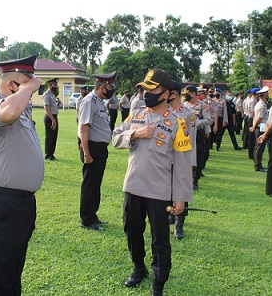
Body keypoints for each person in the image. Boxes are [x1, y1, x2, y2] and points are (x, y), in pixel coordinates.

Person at [112, 69, 193, 296]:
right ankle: (139, 268)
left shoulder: (178, 123)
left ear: (167, 93)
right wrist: (135, 135)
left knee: (160, 240)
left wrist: (180, 197)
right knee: (132, 230)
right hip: (133, 185)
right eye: (145, 88)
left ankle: (159, 283)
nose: (146, 93)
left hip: (159, 191)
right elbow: (115, 137)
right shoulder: (136, 114)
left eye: (152, 89)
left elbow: (183, 164)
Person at [0, 54, 44, 295]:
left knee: (14, 268)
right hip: (3, 203)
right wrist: (27, 90)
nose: (34, 88)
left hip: (22, 203)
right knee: (4, 272)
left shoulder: (22, 110)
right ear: (12, 85)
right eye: (29, 82)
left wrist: (25, 90)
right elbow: (8, 113)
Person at [78, 71, 116, 231]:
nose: (113, 90)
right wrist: (86, 152)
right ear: (102, 88)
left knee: (96, 183)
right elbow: (84, 128)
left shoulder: (99, 101)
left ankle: (93, 215)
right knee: (90, 184)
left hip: (99, 148)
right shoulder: (89, 101)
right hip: (91, 147)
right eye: (111, 87)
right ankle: (87, 220)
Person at [168, 80, 197, 240]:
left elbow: (190, 141)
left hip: (181, 159)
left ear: (174, 94)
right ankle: (170, 216)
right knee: (166, 190)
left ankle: (179, 226)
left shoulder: (187, 115)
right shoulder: (163, 111)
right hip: (164, 159)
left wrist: (190, 163)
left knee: (182, 192)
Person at [183, 85, 211, 190]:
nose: (186, 96)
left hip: (198, 133)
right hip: (185, 134)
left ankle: (195, 180)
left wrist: (196, 123)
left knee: (199, 156)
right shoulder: (183, 105)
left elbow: (208, 120)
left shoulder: (203, 106)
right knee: (185, 156)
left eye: (188, 94)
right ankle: (185, 178)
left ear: (194, 94)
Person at [251, 87, 269, 172]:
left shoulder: (261, 104)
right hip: (260, 128)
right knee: (259, 148)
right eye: (266, 94)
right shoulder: (261, 106)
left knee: (257, 147)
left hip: (260, 127)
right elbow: (259, 118)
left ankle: (257, 164)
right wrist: (254, 127)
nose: (267, 95)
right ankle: (257, 165)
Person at [42, 77, 59, 161]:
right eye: (54, 85)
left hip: (54, 117)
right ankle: (48, 155)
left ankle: (52, 154)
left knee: (54, 136)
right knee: (49, 136)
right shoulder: (47, 95)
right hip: (49, 117)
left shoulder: (52, 95)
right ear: (49, 85)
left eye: (56, 85)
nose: (56, 86)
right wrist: (52, 120)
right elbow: (46, 107)